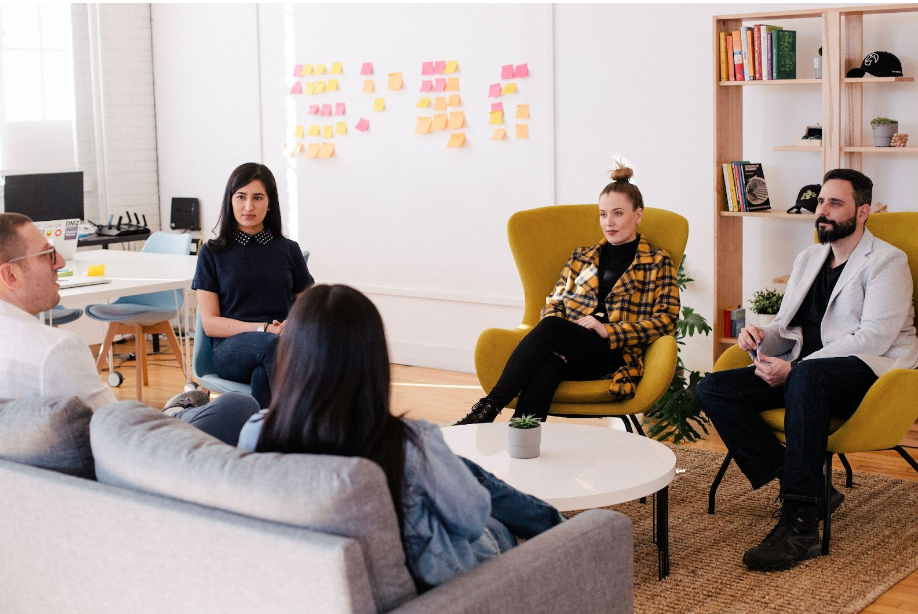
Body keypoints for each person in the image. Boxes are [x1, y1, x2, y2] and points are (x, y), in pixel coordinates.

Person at [237, 284, 565, 589]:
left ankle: (556, 524)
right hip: (436, 585)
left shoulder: (257, 431)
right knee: (490, 518)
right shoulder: (409, 443)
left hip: (317, 582)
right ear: (373, 360)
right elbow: (472, 519)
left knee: (458, 467)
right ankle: (569, 534)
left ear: (290, 355)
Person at [696, 168, 918, 572]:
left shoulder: (887, 261)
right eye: (820, 202)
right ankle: (811, 486)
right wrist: (762, 335)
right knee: (714, 388)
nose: (823, 211)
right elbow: (789, 325)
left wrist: (795, 367)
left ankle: (801, 525)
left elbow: (875, 337)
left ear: (862, 211)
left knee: (806, 377)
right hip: (807, 375)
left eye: (835, 203)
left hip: (870, 373)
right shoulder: (809, 258)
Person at [0, 212, 258, 445]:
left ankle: (172, 414)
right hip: (136, 456)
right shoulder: (54, 351)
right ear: (10, 275)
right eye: (47, 254)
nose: (60, 263)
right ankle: (172, 416)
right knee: (237, 405)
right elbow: (115, 431)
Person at [457, 163, 681, 424]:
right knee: (547, 368)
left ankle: (488, 407)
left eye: (618, 213)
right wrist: (570, 331)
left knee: (552, 327)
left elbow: (667, 320)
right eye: (603, 214)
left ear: (638, 214)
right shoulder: (581, 257)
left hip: (615, 354)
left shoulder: (657, 262)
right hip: (571, 345)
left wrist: (609, 330)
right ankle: (521, 440)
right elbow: (555, 301)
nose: (609, 223)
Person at [193, 163, 313, 408]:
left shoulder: (289, 250)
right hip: (231, 350)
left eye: (257, 197)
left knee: (263, 376)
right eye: (241, 197)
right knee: (274, 347)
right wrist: (264, 328)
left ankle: (264, 440)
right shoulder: (212, 252)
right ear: (230, 201)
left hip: (278, 346)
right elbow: (211, 323)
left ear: (270, 203)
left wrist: (294, 323)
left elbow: (310, 308)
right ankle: (308, 427)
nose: (249, 206)